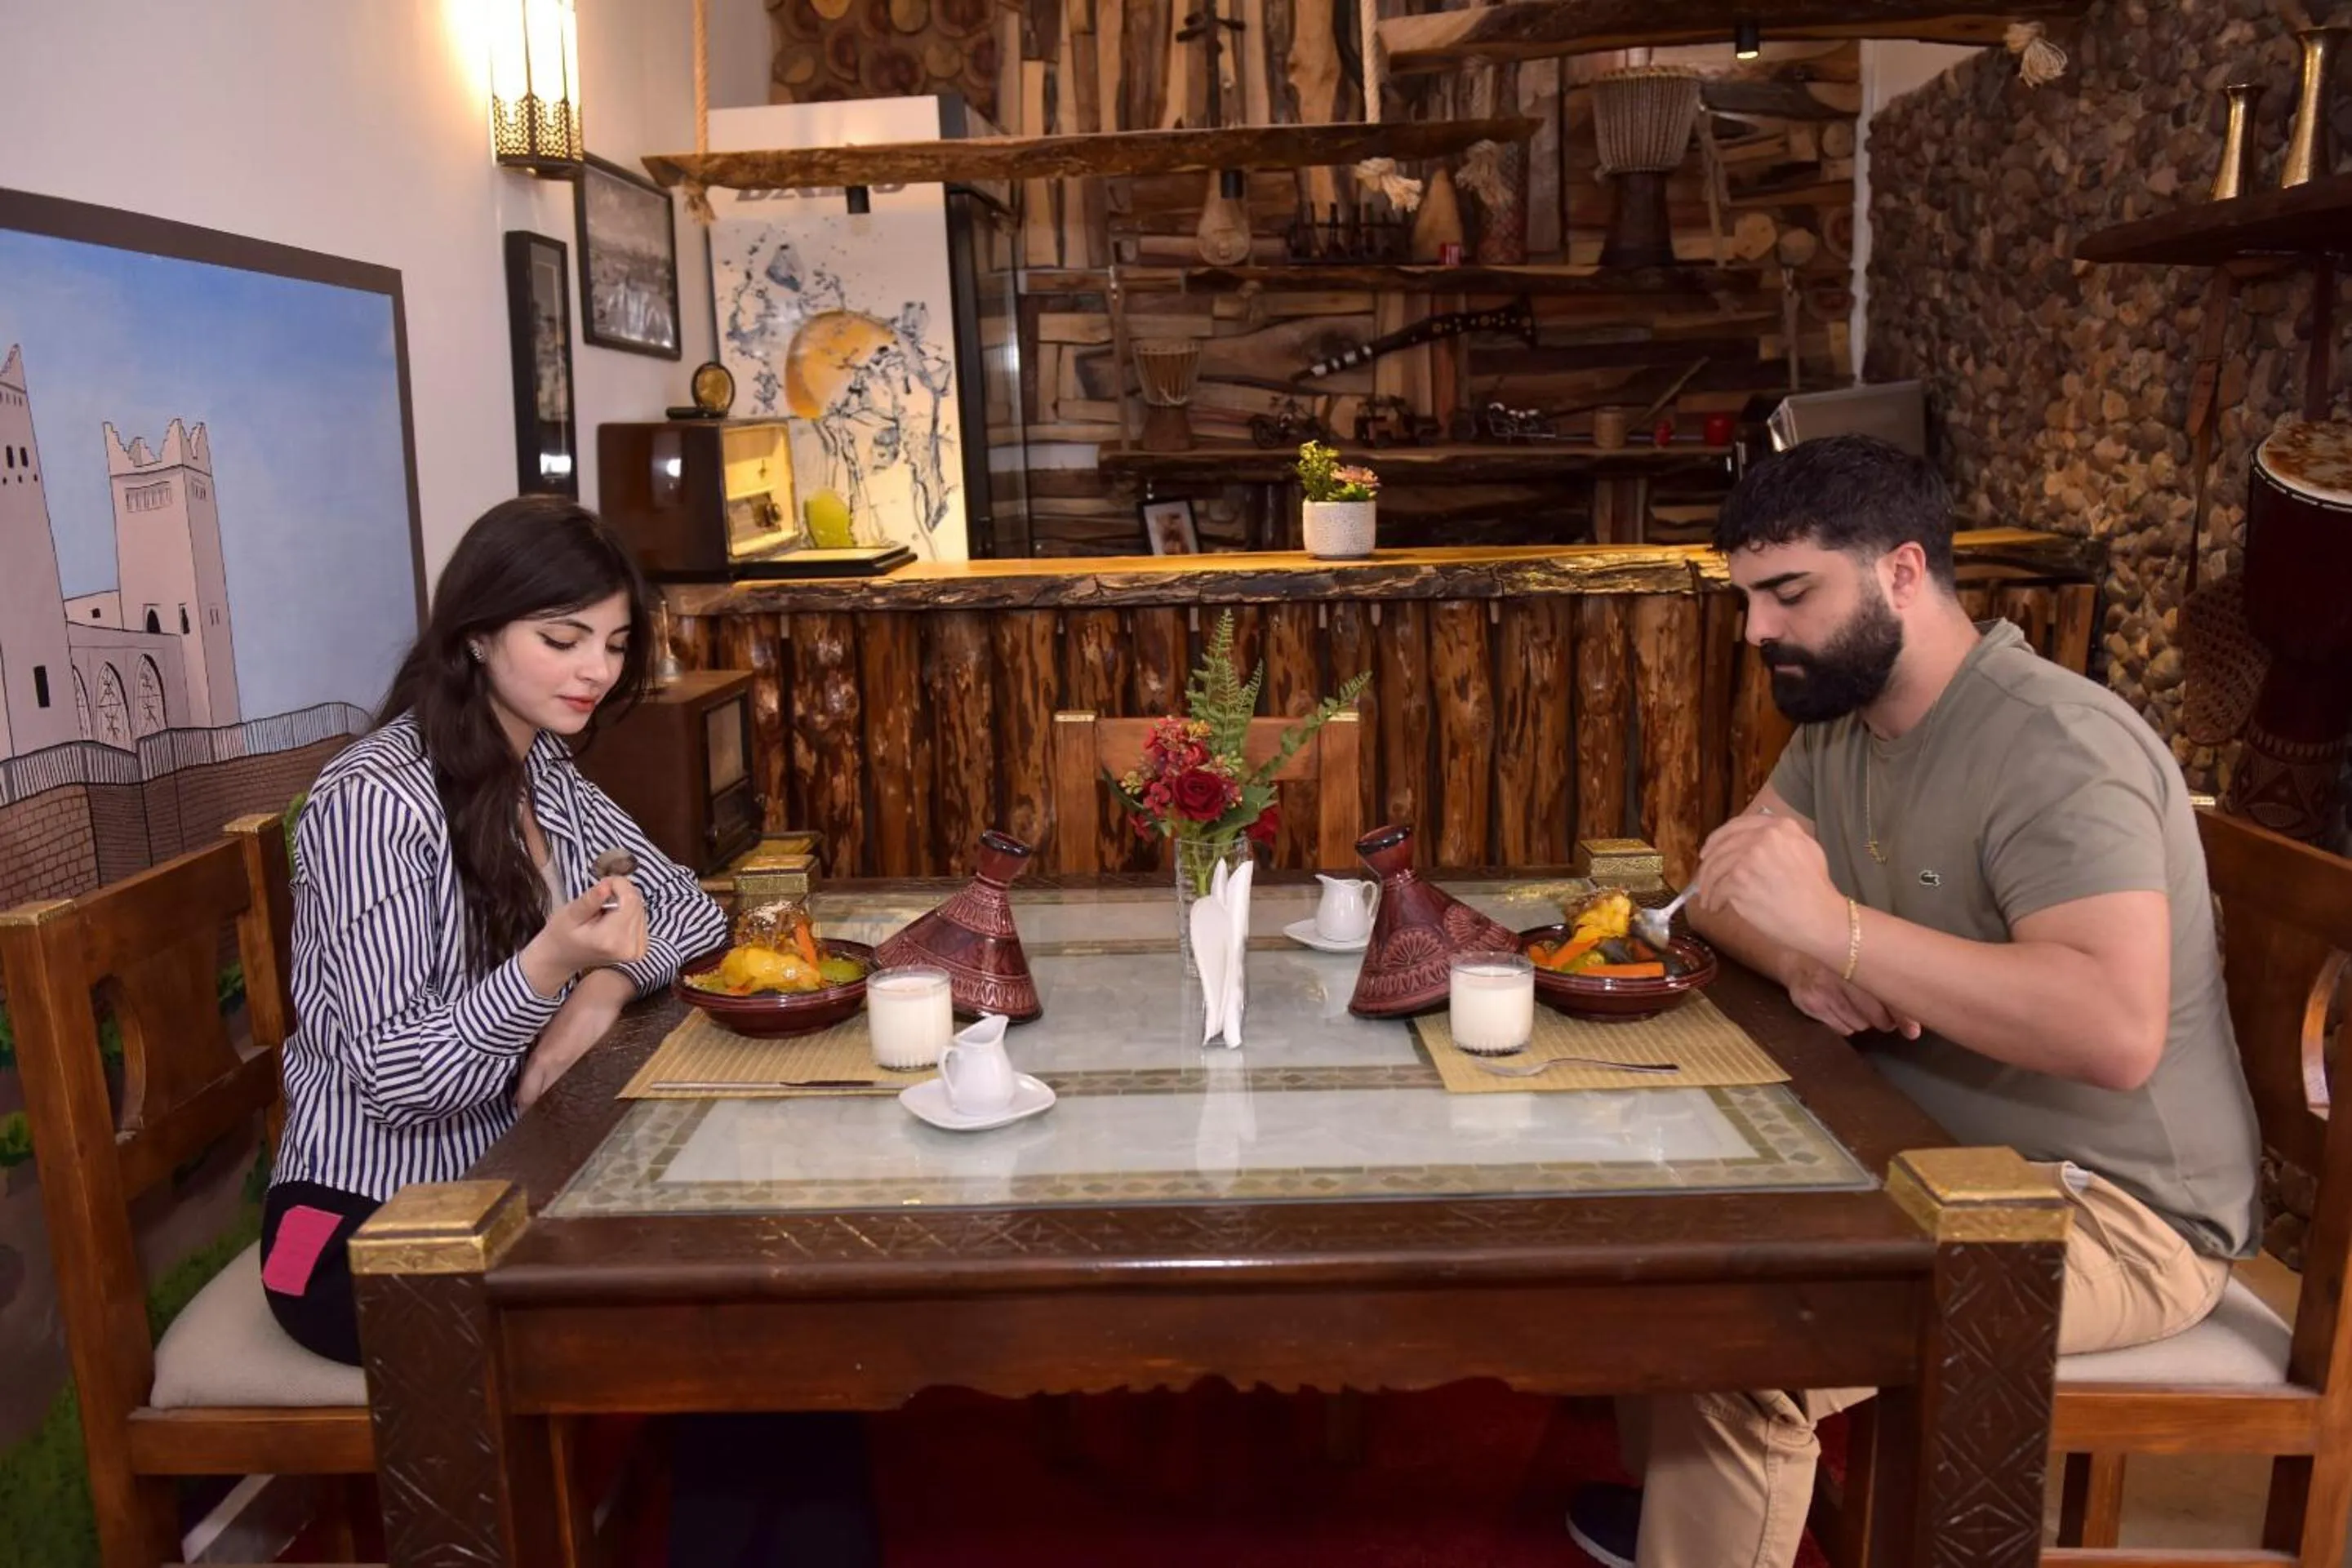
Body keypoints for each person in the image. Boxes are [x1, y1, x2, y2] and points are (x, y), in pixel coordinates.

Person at [1564, 436, 2261, 1568]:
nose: (1758, 633)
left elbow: (2114, 1030)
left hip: (2117, 1216)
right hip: (1936, 1156)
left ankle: (1706, 1517)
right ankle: (1690, 1521)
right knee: (1672, 1210)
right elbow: (1729, 886)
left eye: (1789, 595)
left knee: (1745, 1341)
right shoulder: (1846, 719)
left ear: (1900, 573)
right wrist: (1803, 959)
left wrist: (1840, 930)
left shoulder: (2058, 747)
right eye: (1748, 599)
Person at [262, 496, 878, 1565]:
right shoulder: (376, 802)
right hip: (361, 1233)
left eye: (613, 643)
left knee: (780, 1303)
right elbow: (404, 1078)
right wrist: (549, 965)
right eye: (561, 639)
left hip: (513, 1180)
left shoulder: (539, 760)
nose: (592, 670)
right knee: (725, 1322)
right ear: (476, 633)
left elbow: (687, 909)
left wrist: (590, 999)